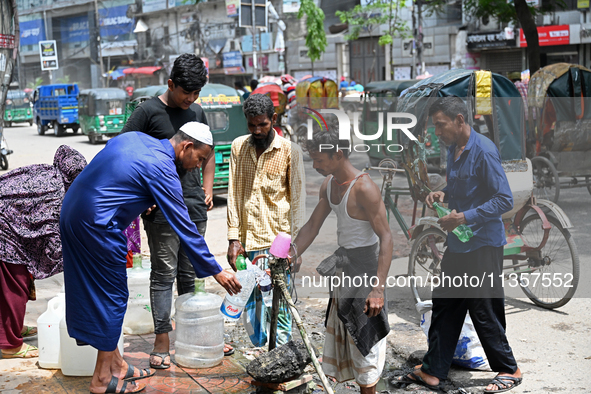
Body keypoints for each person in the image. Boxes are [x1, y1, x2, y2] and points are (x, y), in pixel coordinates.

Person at [61, 123, 242, 394]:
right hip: (98, 225)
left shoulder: (136, 139)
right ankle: (101, 379)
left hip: (73, 213)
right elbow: (184, 225)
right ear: (187, 147)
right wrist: (216, 270)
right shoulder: (163, 168)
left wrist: (141, 195)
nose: (198, 166)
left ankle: (118, 365)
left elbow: (115, 168)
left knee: (96, 292)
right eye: (200, 159)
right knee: (112, 296)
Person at [397, 97, 522, 393]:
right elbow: (463, 188)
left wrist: (464, 217)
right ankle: (433, 370)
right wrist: (443, 194)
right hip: (460, 244)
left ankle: (509, 369)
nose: (437, 132)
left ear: (460, 121)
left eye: (440, 125)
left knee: (484, 308)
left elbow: (504, 199)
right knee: (445, 303)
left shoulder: (484, 151)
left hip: (483, 244)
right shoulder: (454, 149)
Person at [121, 53, 230, 367]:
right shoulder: (147, 112)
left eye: (197, 94)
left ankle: (194, 335)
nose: (192, 99)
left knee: (190, 273)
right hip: (162, 211)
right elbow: (125, 152)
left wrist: (207, 189)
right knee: (164, 274)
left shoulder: (196, 110)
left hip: (194, 204)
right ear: (170, 84)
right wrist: (144, 194)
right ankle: (162, 339)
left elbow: (208, 154)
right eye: (186, 92)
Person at [290, 128, 393, 394]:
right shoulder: (330, 184)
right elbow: (312, 225)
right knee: (348, 335)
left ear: (337, 154)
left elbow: (386, 238)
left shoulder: (365, 187)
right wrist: (292, 253)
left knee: (365, 341)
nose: (315, 166)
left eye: (319, 160)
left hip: (367, 271)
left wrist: (378, 289)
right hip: (344, 269)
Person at [226, 94, 305, 347]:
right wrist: (233, 238)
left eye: (263, 124)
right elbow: (233, 193)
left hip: (277, 244)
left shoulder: (290, 151)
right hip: (246, 243)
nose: (257, 130)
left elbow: (297, 201)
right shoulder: (239, 146)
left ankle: (280, 355)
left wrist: (297, 247)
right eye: (252, 125)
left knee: (279, 305)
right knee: (249, 307)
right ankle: (261, 352)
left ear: (274, 119)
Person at [0, 145, 86, 359]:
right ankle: (10, 346)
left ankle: (13, 329)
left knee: (16, 280)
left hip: (8, 222)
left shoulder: (47, 171)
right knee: (14, 284)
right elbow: (53, 247)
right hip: (4, 228)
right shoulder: (58, 194)